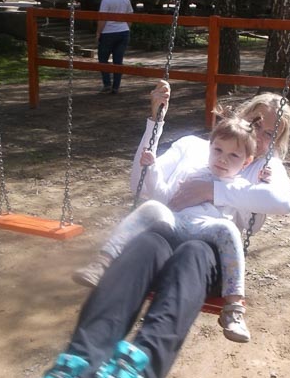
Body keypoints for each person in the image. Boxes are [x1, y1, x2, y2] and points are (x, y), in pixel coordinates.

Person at [10, 82, 290, 378]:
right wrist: (154, 123)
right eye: (256, 123)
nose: (260, 136)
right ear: (241, 114)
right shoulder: (195, 146)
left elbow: (283, 203)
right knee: (144, 245)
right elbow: (141, 184)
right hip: (166, 231)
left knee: (191, 253)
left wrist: (213, 189)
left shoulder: (264, 167)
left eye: (271, 133)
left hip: (208, 252)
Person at [73, 102, 270, 343]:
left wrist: (262, 187)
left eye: (233, 156)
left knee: (228, 229)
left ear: (246, 162)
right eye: (218, 150)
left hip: (206, 232)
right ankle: (104, 261)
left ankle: (233, 309)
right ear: (210, 147)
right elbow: (163, 195)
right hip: (175, 223)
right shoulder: (193, 172)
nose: (223, 160)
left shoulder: (241, 187)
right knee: (151, 207)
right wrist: (152, 168)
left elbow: (252, 221)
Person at [97, 0, 133, 94]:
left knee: (103, 59)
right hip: (123, 31)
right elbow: (130, 16)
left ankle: (107, 83)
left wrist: (98, 32)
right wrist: (127, 28)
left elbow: (102, 18)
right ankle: (116, 86)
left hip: (109, 32)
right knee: (118, 60)